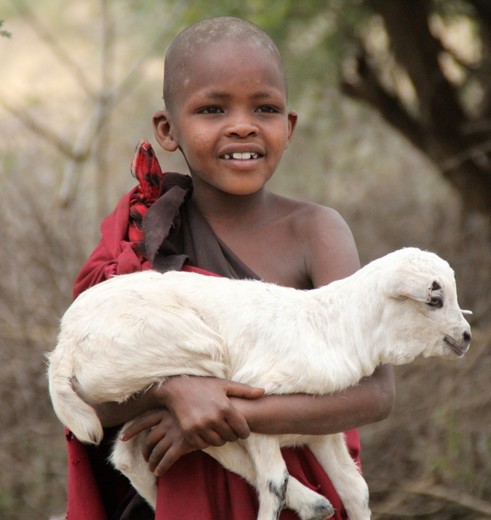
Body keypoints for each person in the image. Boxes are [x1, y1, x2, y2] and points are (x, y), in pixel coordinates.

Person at [65, 16, 395, 520]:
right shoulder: (145, 238)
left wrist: (229, 413)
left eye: (264, 108)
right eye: (212, 108)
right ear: (167, 129)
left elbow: (373, 392)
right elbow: (87, 392)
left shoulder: (315, 233)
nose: (242, 125)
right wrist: (175, 392)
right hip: (174, 498)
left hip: (302, 495)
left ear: (288, 126)